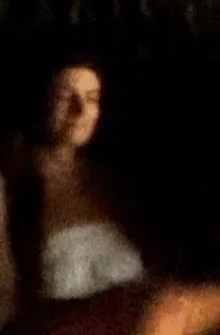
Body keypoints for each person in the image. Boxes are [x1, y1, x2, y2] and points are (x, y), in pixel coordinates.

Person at [3, 62, 146, 316]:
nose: (80, 110)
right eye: (66, 97)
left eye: (92, 98)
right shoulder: (12, 187)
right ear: (40, 101)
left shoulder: (109, 181)